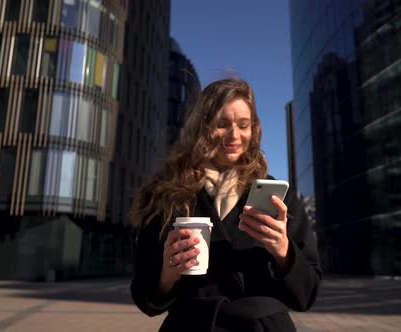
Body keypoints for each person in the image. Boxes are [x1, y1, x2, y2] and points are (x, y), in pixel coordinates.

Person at [130, 78, 321, 332]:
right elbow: (145, 297)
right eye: (222, 125)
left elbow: (307, 294)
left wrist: (283, 252)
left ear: (254, 130)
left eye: (244, 125)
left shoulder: (276, 197)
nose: (234, 136)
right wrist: (167, 275)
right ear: (201, 127)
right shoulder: (167, 195)